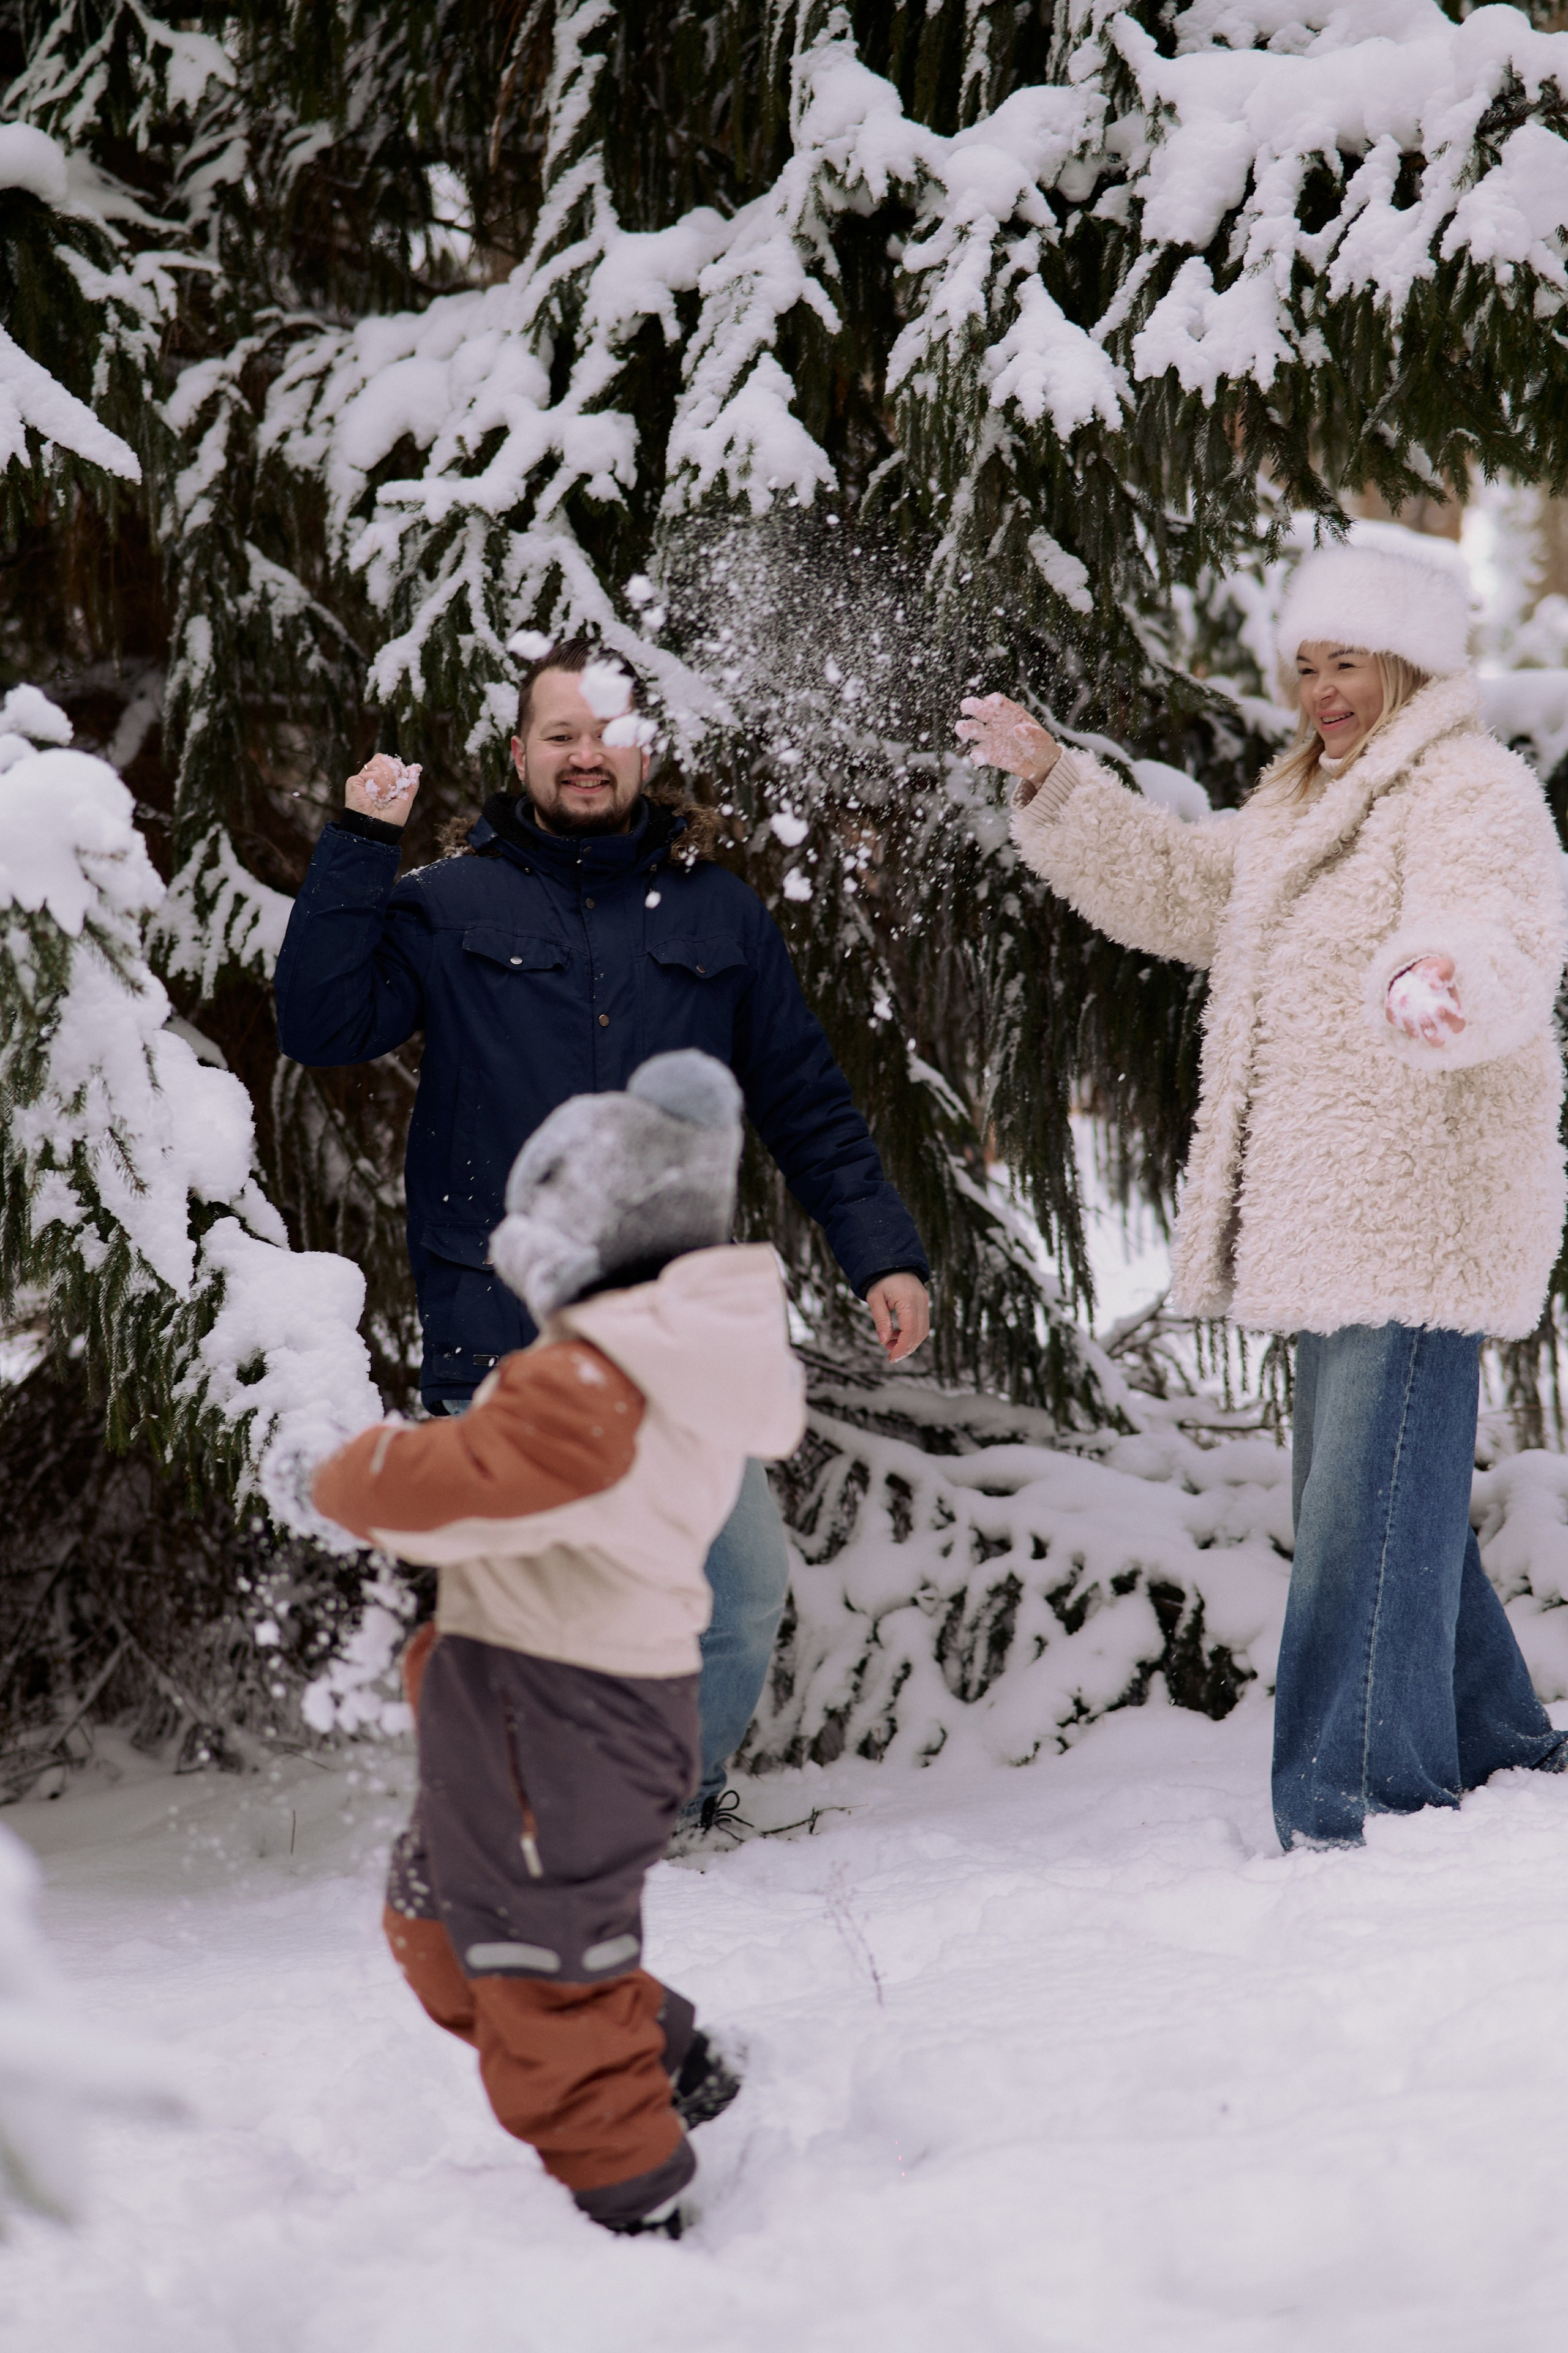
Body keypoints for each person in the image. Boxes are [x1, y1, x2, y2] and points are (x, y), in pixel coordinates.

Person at [956, 541, 1568, 1850]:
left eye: (1345, 661)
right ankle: (1495, 1738)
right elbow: (1182, 884)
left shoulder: (1463, 791)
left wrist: (1440, 979)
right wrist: (1054, 784)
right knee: (1381, 1494)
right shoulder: (1302, 804)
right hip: (1325, 1207)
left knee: (1359, 1509)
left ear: (1409, 659)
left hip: (1414, 1203)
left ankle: (1354, 1802)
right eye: (1305, 666)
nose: (1321, 691)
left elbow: (1499, 927)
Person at [275, 635, 930, 1824]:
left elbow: (805, 1103)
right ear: (521, 753)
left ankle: (666, 1812)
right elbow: (321, 1023)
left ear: (644, 748)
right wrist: (360, 846)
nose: (586, 757)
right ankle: (526, 1835)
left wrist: (880, 1249)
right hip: (500, 1320)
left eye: (607, 734)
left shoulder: (718, 914)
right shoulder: (445, 904)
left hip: (674, 1332)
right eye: (560, 735)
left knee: (735, 1595)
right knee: (517, 1614)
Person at [312, 1048, 807, 2237]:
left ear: (581, 1240)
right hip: (536, 1721)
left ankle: (629, 2203)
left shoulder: (599, 1379)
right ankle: (670, 2060)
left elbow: (467, 1482)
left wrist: (353, 1466)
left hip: (562, 1727)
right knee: (442, 1924)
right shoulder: (641, 1362)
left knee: (535, 1969)